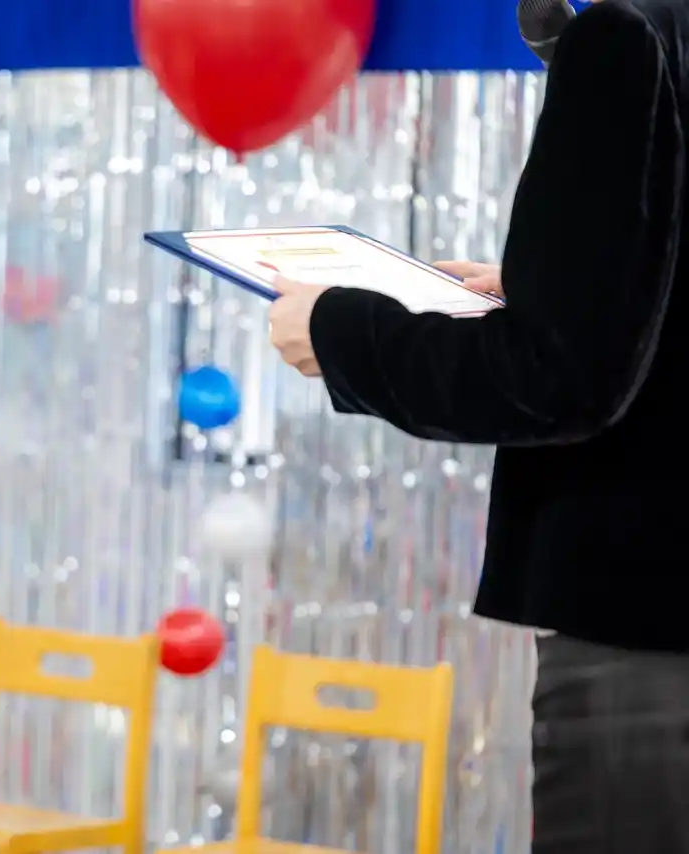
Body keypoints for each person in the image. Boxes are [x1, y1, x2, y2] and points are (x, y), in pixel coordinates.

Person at [267, 0, 689, 851]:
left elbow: (554, 379)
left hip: (641, 634)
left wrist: (339, 332)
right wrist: (551, 285)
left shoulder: (623, 37)